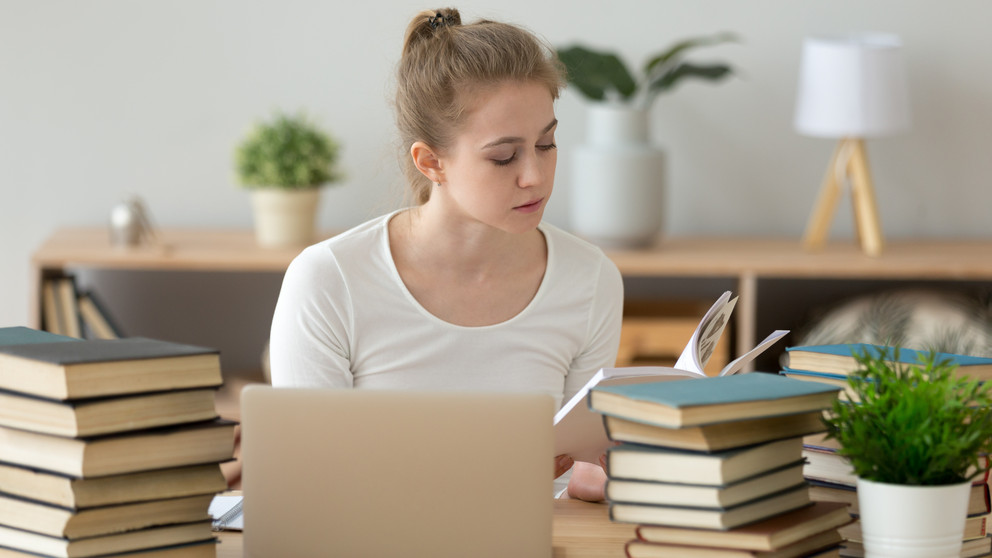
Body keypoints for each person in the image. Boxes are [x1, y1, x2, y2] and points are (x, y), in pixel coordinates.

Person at [268, 7, 623, 502]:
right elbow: (307, 485)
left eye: (547, 143)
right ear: (431, 161)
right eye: (504, 156)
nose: (535, 176)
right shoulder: (329, 281)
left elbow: (573, 480)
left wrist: (608, 478)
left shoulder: (590, 280)